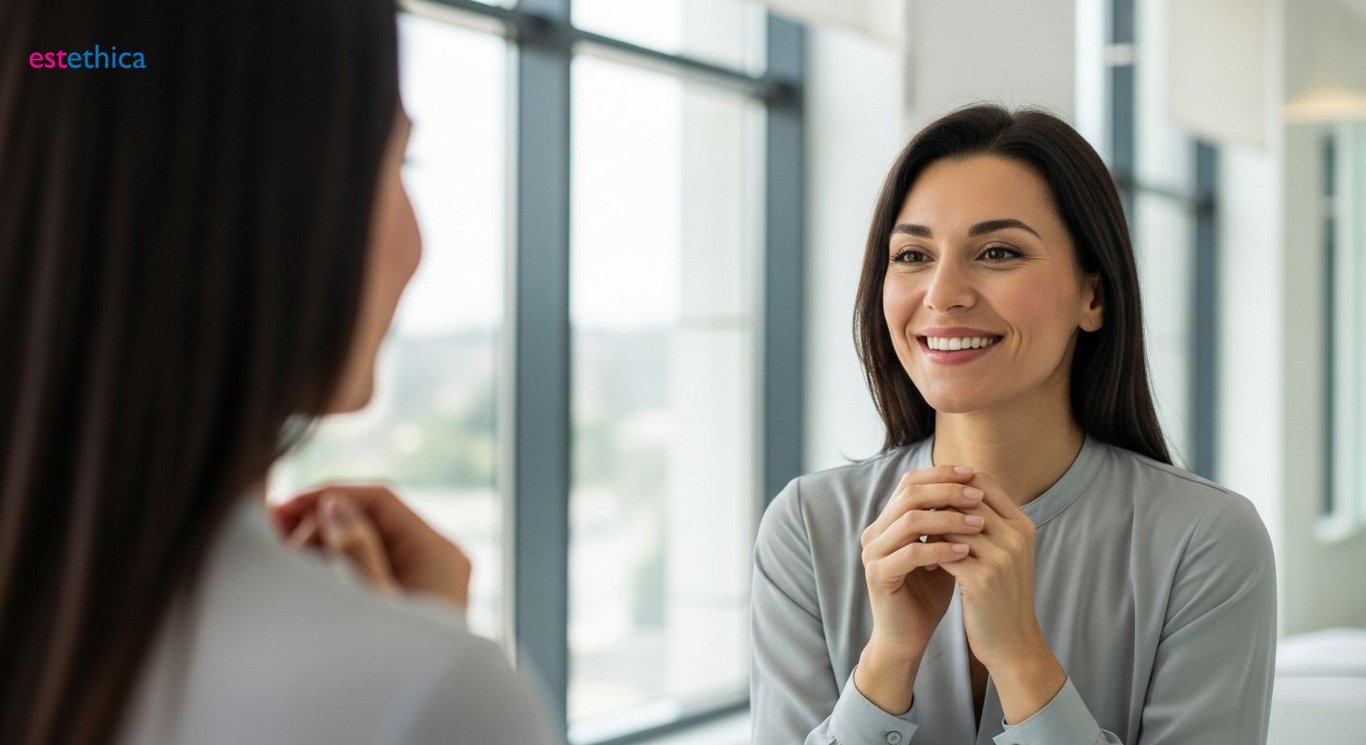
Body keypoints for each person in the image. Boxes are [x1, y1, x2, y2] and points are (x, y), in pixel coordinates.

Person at [0, 1, 556, 744]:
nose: (419, 242)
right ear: (269, 196)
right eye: (397, 163)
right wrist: (417, 666)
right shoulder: (424, 692)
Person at [749, 105, 1276, 745]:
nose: (942, 294)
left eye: (997, 252)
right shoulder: (807, 529)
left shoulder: (1207, 540)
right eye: (913, 254)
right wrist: (887, 661)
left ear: (1093, 295)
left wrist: (1022, 657)